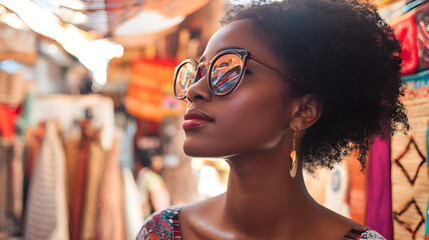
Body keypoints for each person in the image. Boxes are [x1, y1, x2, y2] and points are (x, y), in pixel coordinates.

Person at [137, 0, 409, 239]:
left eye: (229, 70)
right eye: (199, 72)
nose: (194, 90)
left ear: (303, 111)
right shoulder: (160, 232)